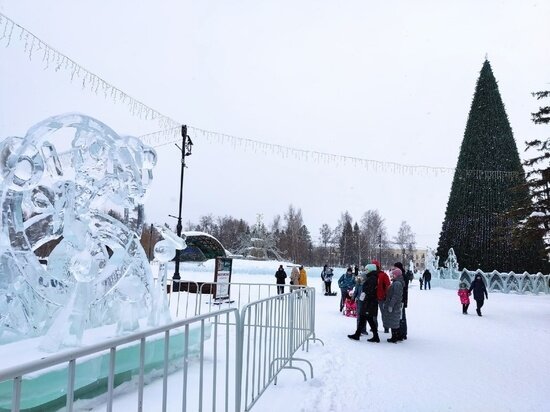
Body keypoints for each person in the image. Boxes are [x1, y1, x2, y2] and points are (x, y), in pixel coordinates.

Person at [348, 264, 380, 342]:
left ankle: (375, 336)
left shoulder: (372, 278)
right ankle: (357, 334)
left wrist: (364, 295)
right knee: (363, 318)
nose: (365, 271)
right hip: (368, 302)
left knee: (368, 319)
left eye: (366, 269)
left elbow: (370, 291)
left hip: (369, 302)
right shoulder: (371, 277)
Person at [382, 267, 404, 343]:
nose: (391, 276)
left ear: (396, 275)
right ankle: (396, 336)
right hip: (394, 305)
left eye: (393, 275)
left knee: (394, 321)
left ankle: (394, 337)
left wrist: (391, 305)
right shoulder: (396, 282)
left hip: (394, 306)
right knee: (393, 320)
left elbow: (396, 296)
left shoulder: (397, 283)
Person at [374, 259, 390, 333]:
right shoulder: (382, 275)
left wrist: (386, 295)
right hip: (377, 297)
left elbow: (387, 286)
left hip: (380, 297)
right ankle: (376, 326)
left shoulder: (382, 275)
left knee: (382, 313)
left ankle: (385, 327)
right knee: (376, 313)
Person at [394, 262, 409, 341]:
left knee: (400, 316)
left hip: (401, 298)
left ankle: (401, 333)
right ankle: (403, 333)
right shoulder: (403, 275)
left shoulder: (401, 276)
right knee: (402, 316)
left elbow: (402, 288)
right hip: (403, 298)